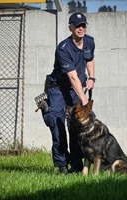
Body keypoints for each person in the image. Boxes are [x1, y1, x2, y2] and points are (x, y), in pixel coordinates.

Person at [39, 12, 96, 174]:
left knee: (76, 127)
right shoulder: (63, 49)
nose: (80, 28)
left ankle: (77, 166)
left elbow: (90, 58)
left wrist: (92, 78)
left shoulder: (90, 42)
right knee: (57, 126)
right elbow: (72, 77)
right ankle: (62, 165)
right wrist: (84, 100)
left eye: (83, 25)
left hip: (74, 90)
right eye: (77, 26)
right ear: (70, 27)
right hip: (58, 89)